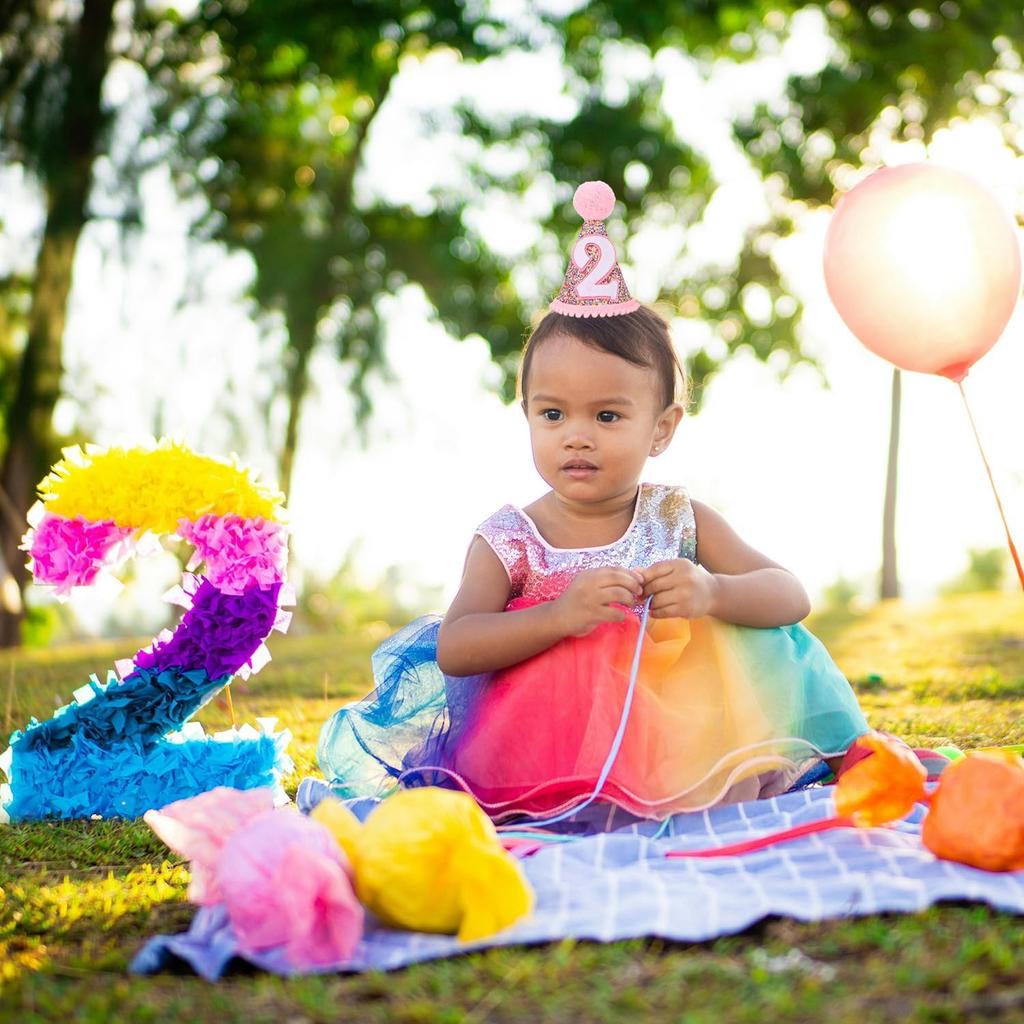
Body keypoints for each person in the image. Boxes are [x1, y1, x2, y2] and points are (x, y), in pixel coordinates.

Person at [318, 181, 870, 821]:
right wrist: (557, 617)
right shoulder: (509, 537)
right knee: (578, 666)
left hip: (679, 740)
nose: (576, 435)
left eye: (608, 415)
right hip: (546, 746)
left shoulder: (677, 518)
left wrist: (712, 593)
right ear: (527, 414)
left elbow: (788, 595)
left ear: (660, 428)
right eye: (552, 413)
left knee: (757, 638)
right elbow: (458, 645)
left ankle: (761, 774)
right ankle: (593, 805)